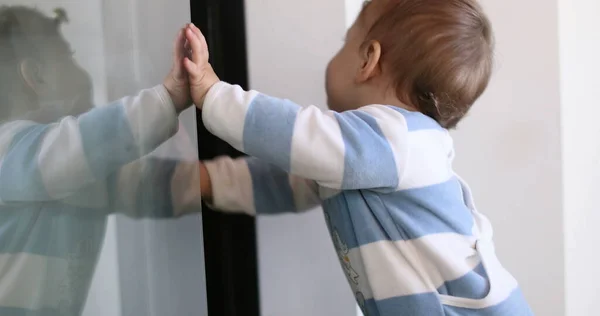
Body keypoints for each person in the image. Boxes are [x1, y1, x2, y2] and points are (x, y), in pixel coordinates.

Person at [182, 0, 534, 314]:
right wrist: (207, 181)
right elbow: (285, 182)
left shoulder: (401, 139)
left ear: (368, 60)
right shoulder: (364, 158)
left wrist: (214, 95)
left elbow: (298, 134)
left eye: (345, 42)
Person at [0, 6, 201, 315]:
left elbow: (171, 184)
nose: (83, 71)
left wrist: (287, 175)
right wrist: (167, 99)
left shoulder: (79, 174)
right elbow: (83, 144)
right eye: (69, 56)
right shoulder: (8, 153)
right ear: (36, 77)